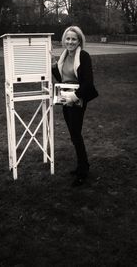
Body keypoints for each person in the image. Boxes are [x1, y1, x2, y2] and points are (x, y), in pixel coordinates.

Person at [52, 26, 98, 187]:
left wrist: (74, 97)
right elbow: (62, 78)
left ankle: (83, 170)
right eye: (68, 38)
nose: (70, 42)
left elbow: (88, 83)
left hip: (77, 99)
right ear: (64, 40)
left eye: (73, 39)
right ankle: (82, 165)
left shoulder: (83, 56)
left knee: (76, 134)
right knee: (73, 133)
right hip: (65, 99)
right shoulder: (64, 56)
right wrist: (53, 65)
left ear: (79, 41)